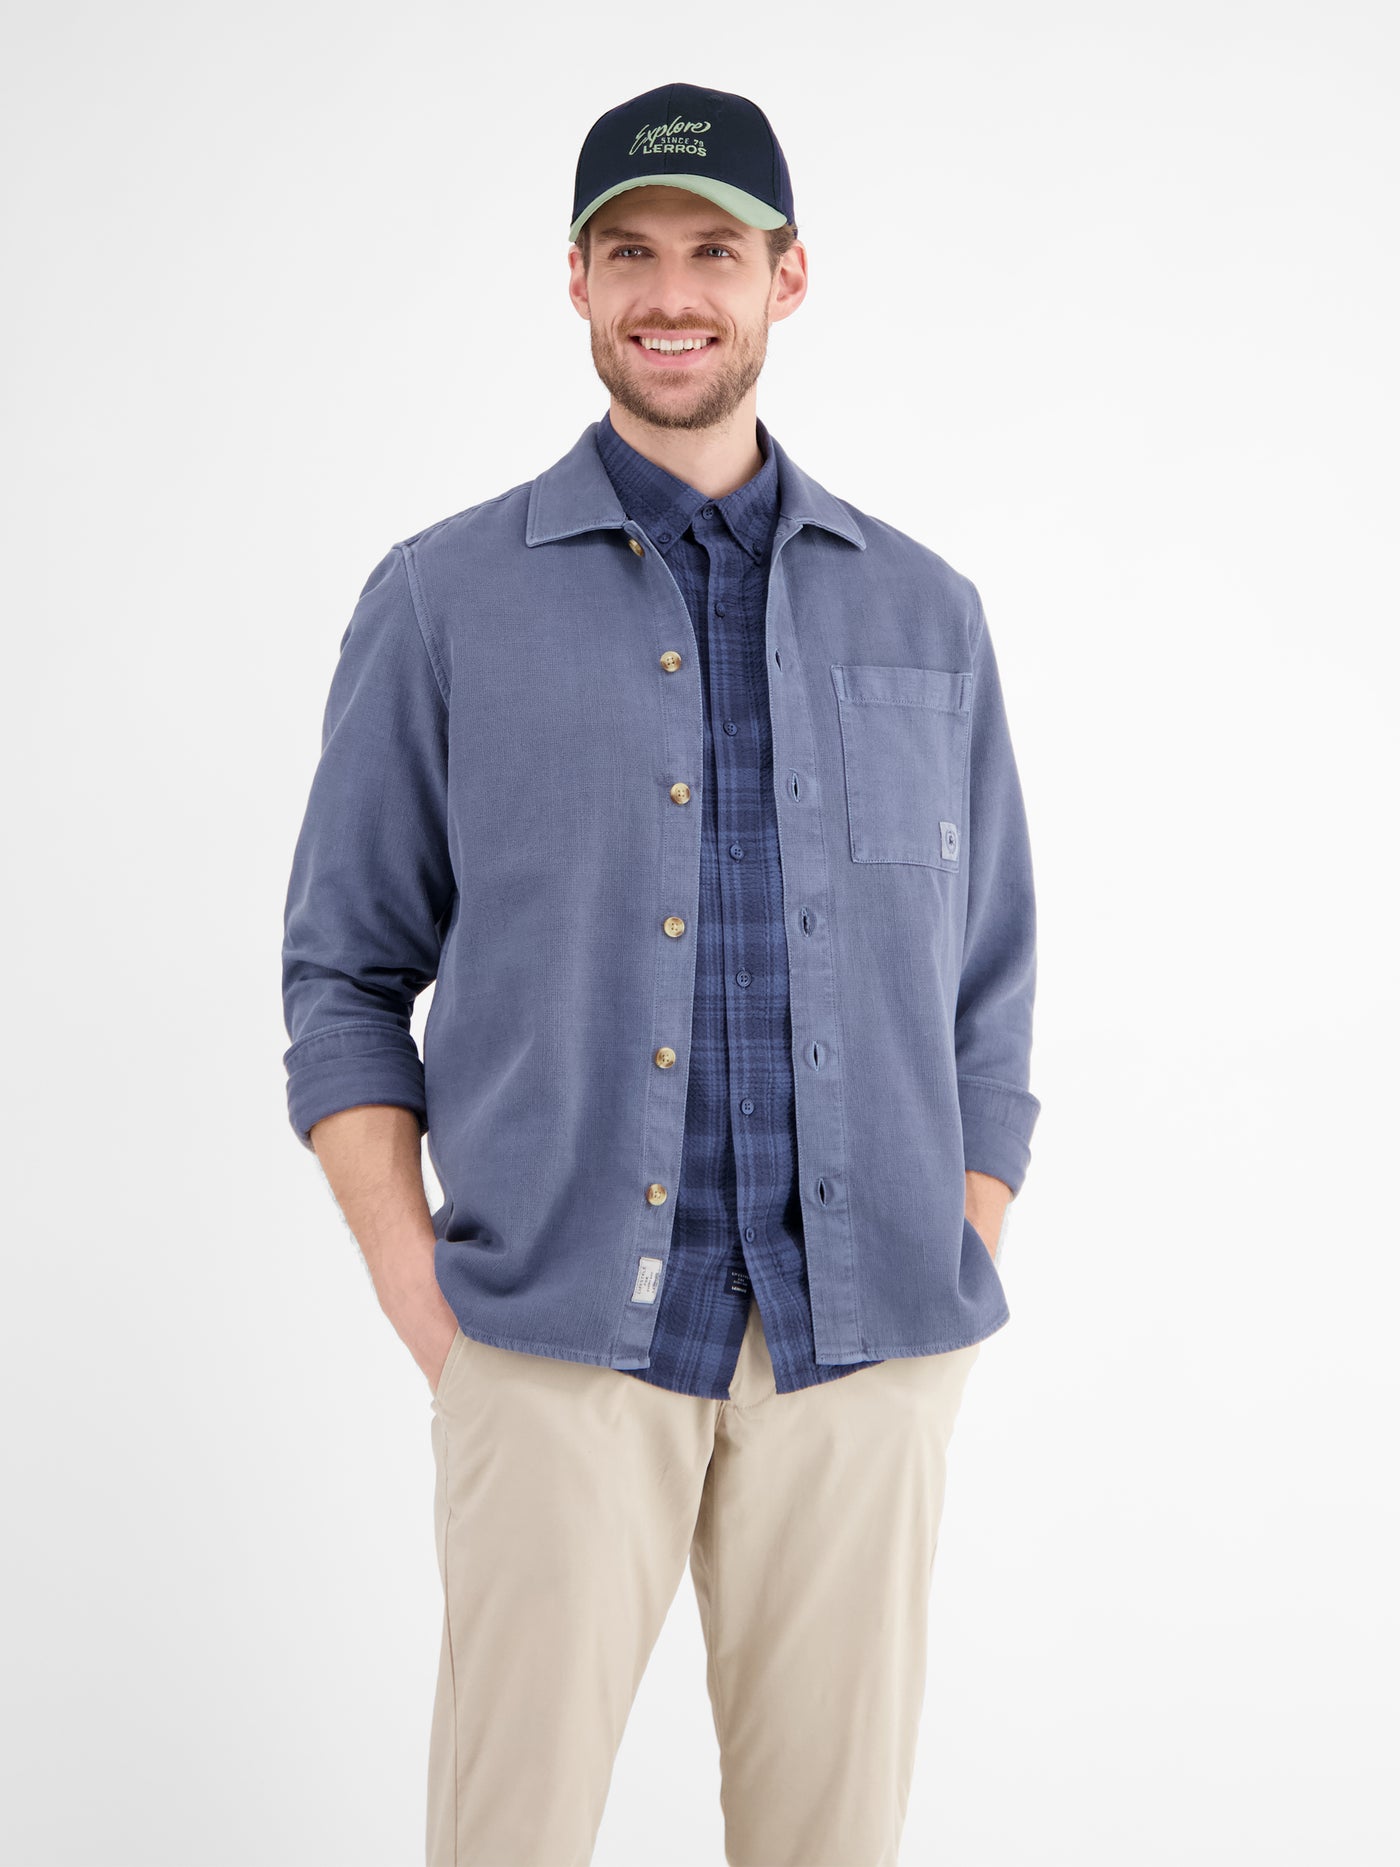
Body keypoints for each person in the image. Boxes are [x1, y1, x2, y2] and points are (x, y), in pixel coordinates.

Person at [280, 79, 1041, 1867]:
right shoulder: (442, 600)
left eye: (715, 250)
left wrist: (962, 1239)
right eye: (630, 253)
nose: (672, 292)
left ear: (789, 277)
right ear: (576, 281)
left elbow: (990, 988)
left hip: (866, 1351)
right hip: (553, 1343)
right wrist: (422, 1296)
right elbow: (342, 979)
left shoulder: (926, 610)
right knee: (509, 1839)